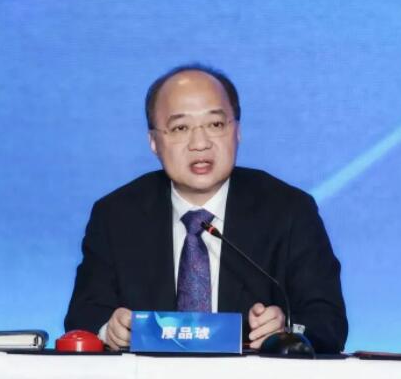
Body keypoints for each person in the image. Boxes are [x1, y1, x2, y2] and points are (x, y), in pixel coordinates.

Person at [64, 64, 348, 353]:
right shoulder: (116, 216)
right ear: (153, 142)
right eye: (180, 128)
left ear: (237, 131)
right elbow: (82, 317)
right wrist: (109, 330)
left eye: (215, 125)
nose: (200, 144)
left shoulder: (289, 211)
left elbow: (329, 323)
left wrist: (285, 329)